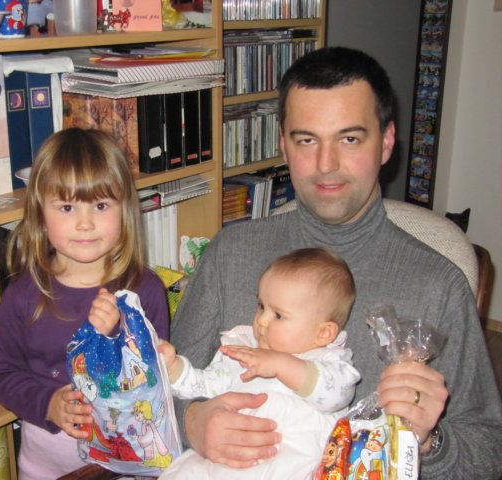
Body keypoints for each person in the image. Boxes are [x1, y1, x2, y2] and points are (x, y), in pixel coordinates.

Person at [170, 46, 502, 479]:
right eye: (307, 140)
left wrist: (428, 440)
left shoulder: (438, 285)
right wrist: (192, 423)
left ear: (386, 142)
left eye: (349, 139)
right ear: (284, 146)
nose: (326, 165)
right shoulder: (230, 254)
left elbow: (488, 453)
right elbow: (160, 385)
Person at [0, 128, 170, 480]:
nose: (85, 224)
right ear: (41, 213)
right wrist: (47, 404)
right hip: (45, 468)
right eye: (67, 207)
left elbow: (158, 383)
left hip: (127, 465)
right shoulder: (24, 294)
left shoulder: (144, 290)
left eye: (101, 206)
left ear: (125, 210)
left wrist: (122, 337)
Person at [159, 248, 361, 479]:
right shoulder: (243, 350)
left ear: (323, 333)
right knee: (185, 471)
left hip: (288, 462)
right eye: (261, 306)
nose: (262, 320)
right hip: (227, 456)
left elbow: (338, 396)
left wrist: (281, 364)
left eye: (278, 315)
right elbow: (204, 387)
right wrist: (175, 368)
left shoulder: (329, 362)